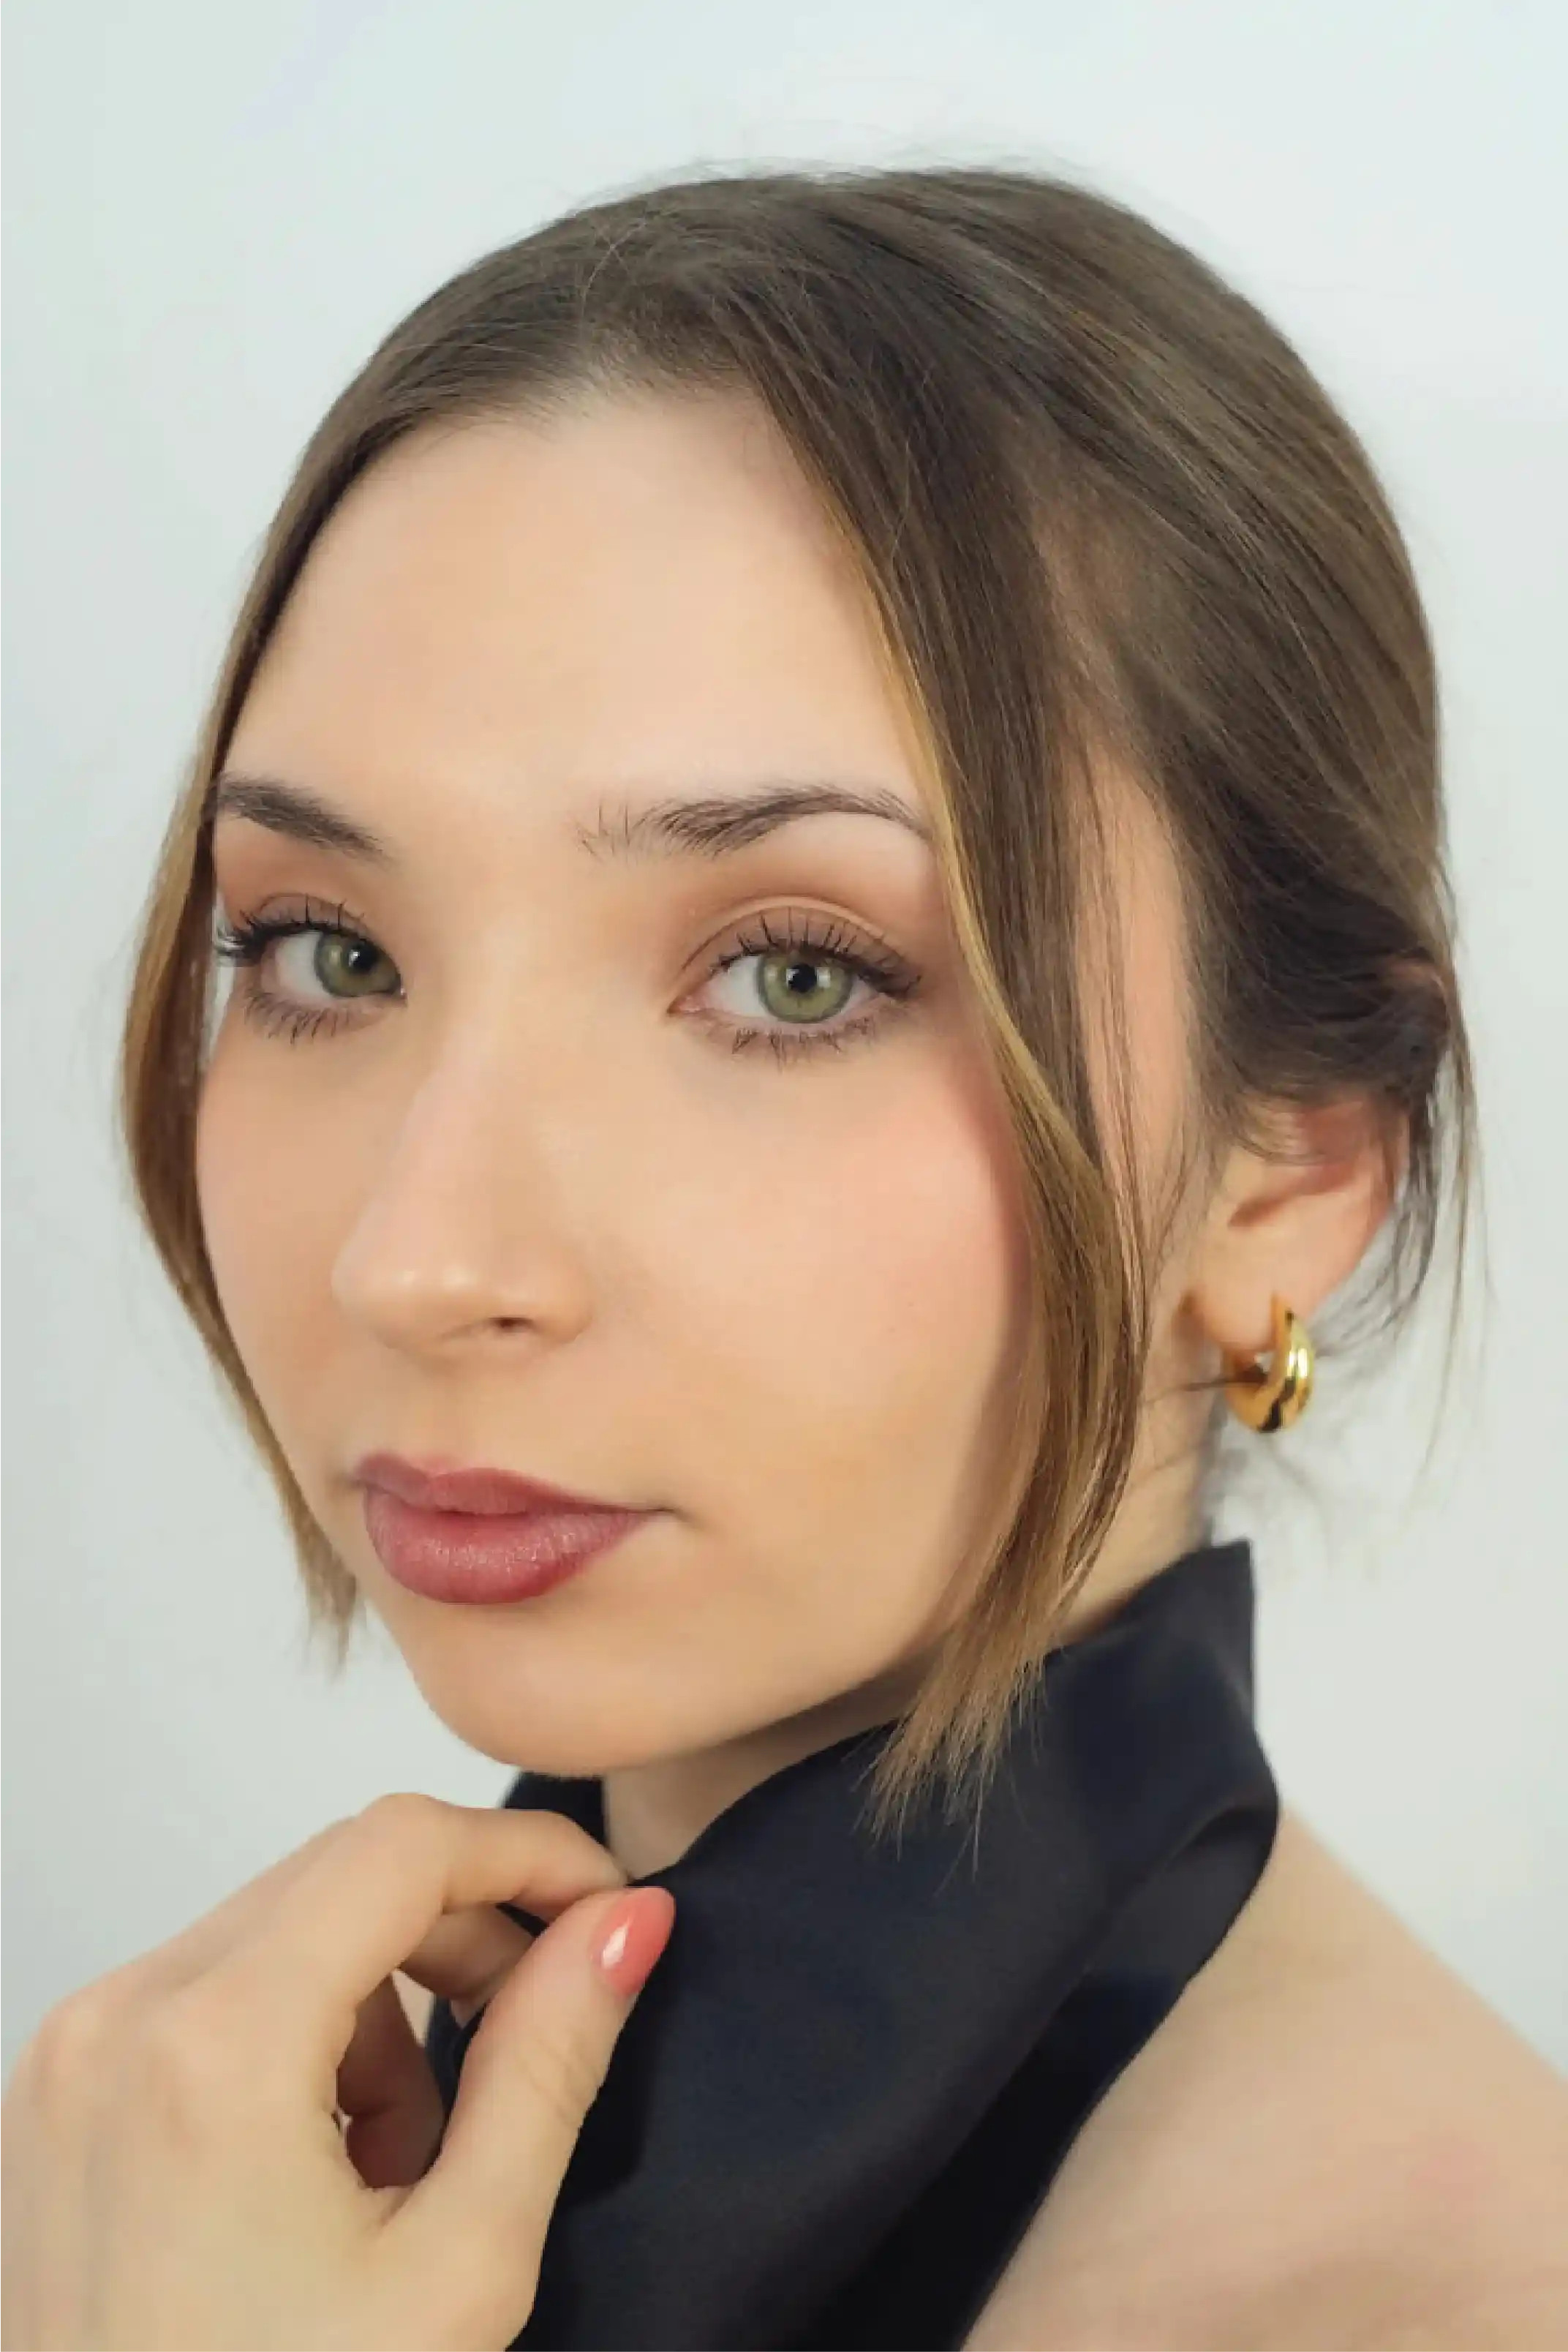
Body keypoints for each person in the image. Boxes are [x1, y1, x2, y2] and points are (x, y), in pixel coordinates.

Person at [4, 161, 1564, 2346]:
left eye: (797, 979)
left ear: (1291, 1168)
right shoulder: (225, 2187)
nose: (418, 1259)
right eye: (330, 949)